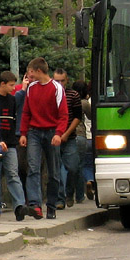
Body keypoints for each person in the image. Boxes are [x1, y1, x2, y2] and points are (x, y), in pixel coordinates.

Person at [19, 57, 68, 219]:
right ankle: (35, 204)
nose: (30, 76)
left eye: (31, 73)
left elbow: (63, 114)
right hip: (34, 131)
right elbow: (26, 112)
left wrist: (59, 133)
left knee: (54, 171)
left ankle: (52, 205)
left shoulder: (56, 88)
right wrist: (24, 133)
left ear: (39, 71)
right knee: (33, 167)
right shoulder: (31, 89)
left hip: (52, 131)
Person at [0, 71, 36, 222]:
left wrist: (19, 135)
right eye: (11, 85)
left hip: (11, 143)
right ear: (2, 84)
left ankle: (19, 206)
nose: (13, 88)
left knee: (13, 174)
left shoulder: (12, 100)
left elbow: (15, 119)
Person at [53, 68, 84, 209]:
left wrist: (66, 134)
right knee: (56, 169)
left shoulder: (73, 95)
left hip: (69, 137)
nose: (59, 83)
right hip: (53, 137)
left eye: (62, 81)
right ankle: (60, 199)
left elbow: (78, 117)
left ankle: (69, 193)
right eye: (56, 81)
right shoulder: (50, 94)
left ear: (67, 81)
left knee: (73, 167)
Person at [74, 79, 95, 201]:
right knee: (89, 164)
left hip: (81, 136)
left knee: (82, 165)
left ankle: (87, 181)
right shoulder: (87, 103)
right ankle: (91, 181)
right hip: (90, 137)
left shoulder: (70, 101)